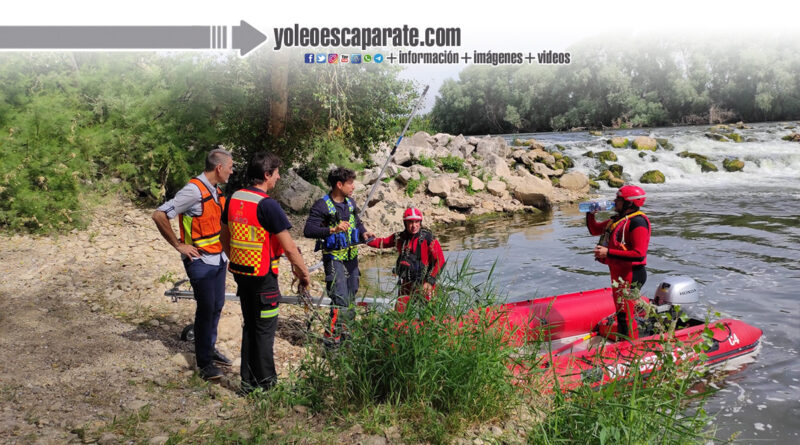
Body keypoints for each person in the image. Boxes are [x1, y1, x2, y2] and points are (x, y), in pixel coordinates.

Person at [221, 152, 310, 393]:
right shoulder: (267, 205)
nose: (278, 177)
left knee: (250, 326)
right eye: (277, 173)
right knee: (264, 331)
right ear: (267, 175)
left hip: (242, 273)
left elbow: (224, 237)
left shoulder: (234, 198)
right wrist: (304, 275)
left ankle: (248, 383)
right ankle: (267, 386)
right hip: (264, 279)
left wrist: (237, 258)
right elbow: (289, 248)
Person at [152, 148, 234, 381]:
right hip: (200, 261)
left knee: (216, 306)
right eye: (230, 167)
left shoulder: (215, 190)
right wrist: (179, 245)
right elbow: (159, 215)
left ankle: (209, 348)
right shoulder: (193, 191)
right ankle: (205, 363)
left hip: (217, 259)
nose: (232, 171)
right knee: (206, 308)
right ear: (219, 168)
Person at [303, 167, 374, 342]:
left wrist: (364, 233)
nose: (353, 186)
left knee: (350, 297)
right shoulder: (322, 205)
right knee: (340, 299)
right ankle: (331, 342)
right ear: (339, 185)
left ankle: (346, 338)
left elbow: (357, 222)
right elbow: (308, 230)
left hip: (351, 258)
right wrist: (332, 230)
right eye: (350, 183)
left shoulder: (351, 203)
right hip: (334, 259)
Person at [586, 185, 651, 340]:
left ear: (629, 203)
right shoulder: (617, 220)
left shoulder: (638, 222)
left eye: (618, 199)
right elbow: (594, 230)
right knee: (621, 313)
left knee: (625, 315)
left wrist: (608, 252)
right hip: (619, 273)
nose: (614, 202)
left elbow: (639, 254)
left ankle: (629, 347)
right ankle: (624, 343)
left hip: (631, 274)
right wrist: (590, 214)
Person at [367, 207, 446, 313]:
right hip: (406, 284)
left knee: (430, 314)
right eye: (410, 222)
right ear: (405, 223)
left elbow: (440, 261)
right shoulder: (399, 238)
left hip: (425, 284)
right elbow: (382, 242)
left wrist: (430, 281)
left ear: (420, 222)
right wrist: (364, 238)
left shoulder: (428, 239)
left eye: (417, 222)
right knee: (399, 313)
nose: (414, 226)